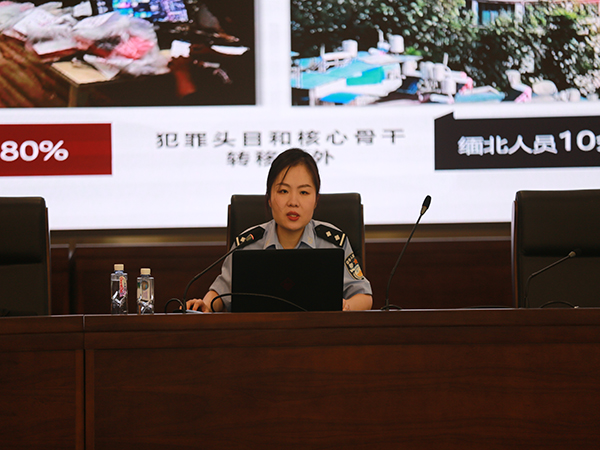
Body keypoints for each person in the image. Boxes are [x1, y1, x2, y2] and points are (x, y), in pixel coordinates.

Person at [187, 148, 373, 312]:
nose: (293, 202)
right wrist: (205, 305)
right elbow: (221, 293)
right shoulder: (247, 244)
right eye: (283, 191)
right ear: (269, 198)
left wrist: (346, 306)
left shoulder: (334, 242)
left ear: (316, 200)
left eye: (304, 192)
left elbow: (364, 296)